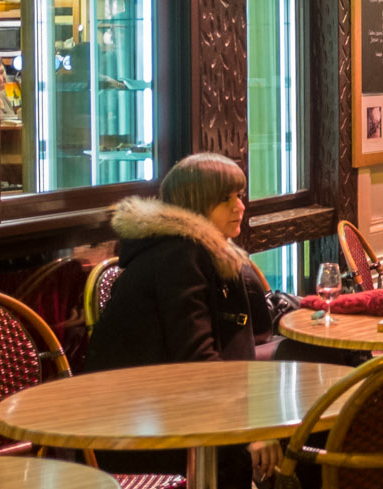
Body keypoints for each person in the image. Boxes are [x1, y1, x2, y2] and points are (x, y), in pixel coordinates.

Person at [88, 153, 276, 488]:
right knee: (296, 439)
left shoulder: (204, 253)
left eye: (239, 196)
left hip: (168, 411)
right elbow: (197, 364)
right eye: (226, 199)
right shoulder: (180, 257)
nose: (240, 207)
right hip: (141, 432)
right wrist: (253, 428)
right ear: (197, 206)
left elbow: (247, 335)